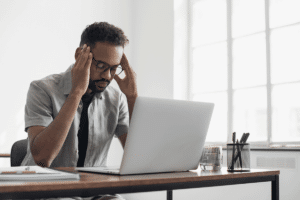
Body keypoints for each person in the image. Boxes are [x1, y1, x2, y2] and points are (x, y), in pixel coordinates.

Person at [20, 22, 138, 200]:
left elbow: (137, 157)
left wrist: (132, 98)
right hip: (45, 189)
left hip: (94, 191)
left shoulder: (116, 99)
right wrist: (76, 93)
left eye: (114, 68)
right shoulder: (42, 89)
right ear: (79, 55)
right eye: (101, 66)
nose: (107, 76)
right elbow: (43, 158)